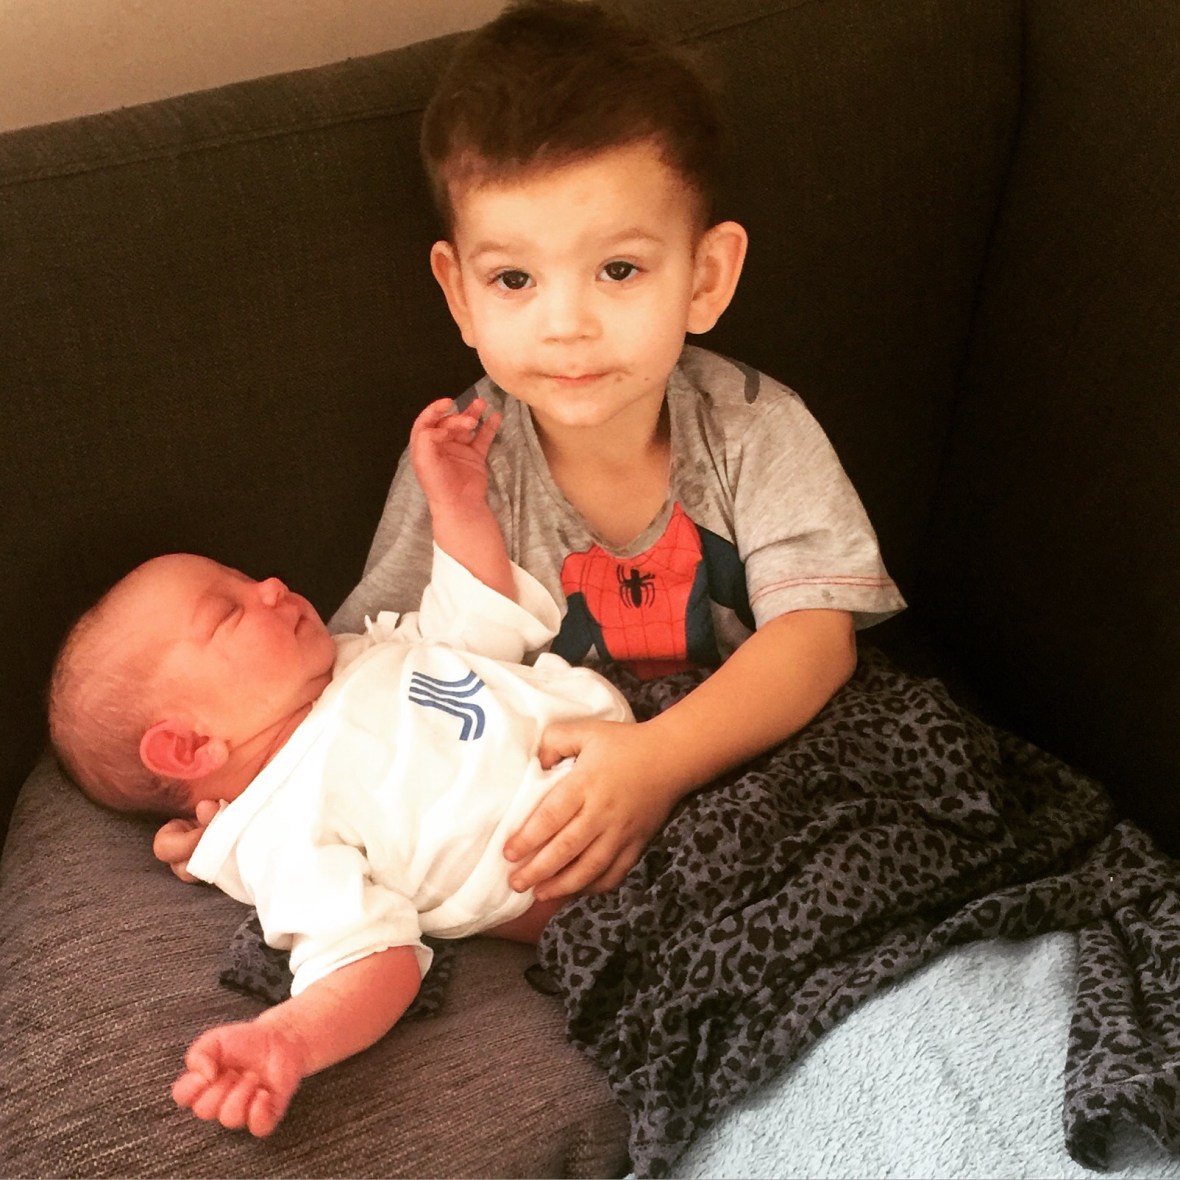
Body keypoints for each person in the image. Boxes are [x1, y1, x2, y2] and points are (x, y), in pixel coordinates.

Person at [156, 0, 905, 903]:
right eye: (514, 279)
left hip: (749, 751)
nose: (565, 325)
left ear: (705, 277)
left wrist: (658, 760)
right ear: (459, 295)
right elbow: (364, 675)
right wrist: (249, 814)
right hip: (546, 811)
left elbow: (816, 640)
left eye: (618, 270)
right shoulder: (463, 457)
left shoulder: (753, 427)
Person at [47, 397, 633, 1137]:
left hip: (652, 747)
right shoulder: (282, 830)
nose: (269, 586)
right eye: (228, 613)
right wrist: (290, 1038)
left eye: (245, 578)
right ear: (190, 747)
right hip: (612, 868)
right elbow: (370, 955)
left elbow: (480, 623)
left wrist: (455, 504)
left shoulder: (357, 656)